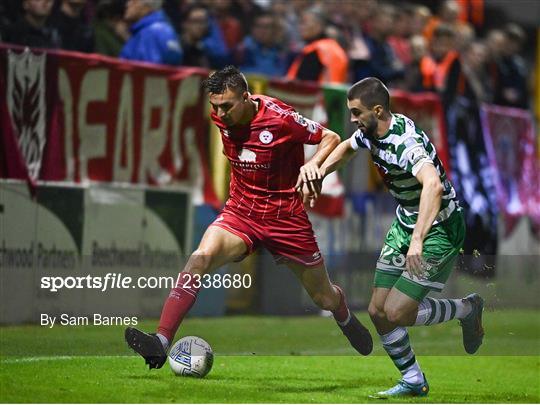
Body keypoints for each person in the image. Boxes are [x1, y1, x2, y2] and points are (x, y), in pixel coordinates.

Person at [124, 66, 373, 369]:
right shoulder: (219, 115)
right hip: (241, 211)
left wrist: (314, 168)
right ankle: (160, 342)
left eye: (227, 106)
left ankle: (342, 312)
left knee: (323, 298)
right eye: (215, 106)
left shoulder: (280, 119)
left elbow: (331, 137)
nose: (221, 113)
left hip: (285, 218)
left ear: (246, 97)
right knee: (200, 258)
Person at [303, 77, 484, 398]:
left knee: (398, 313)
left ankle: (467, 309)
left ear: (377, 110)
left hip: (438, 227)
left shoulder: (405, 143)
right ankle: (413, 379)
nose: (353, 119)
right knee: (377, 311)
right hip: (406, 220)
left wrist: (418, 240)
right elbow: (345, 149)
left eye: (357, 113)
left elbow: (433, 185)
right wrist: (317, 168)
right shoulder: (372, 132)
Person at [119, 0, 182, 66]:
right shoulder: (166, 30)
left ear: (147, 7)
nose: (127, 4)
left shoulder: (149, 33)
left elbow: (150, 72)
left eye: (133, 1)